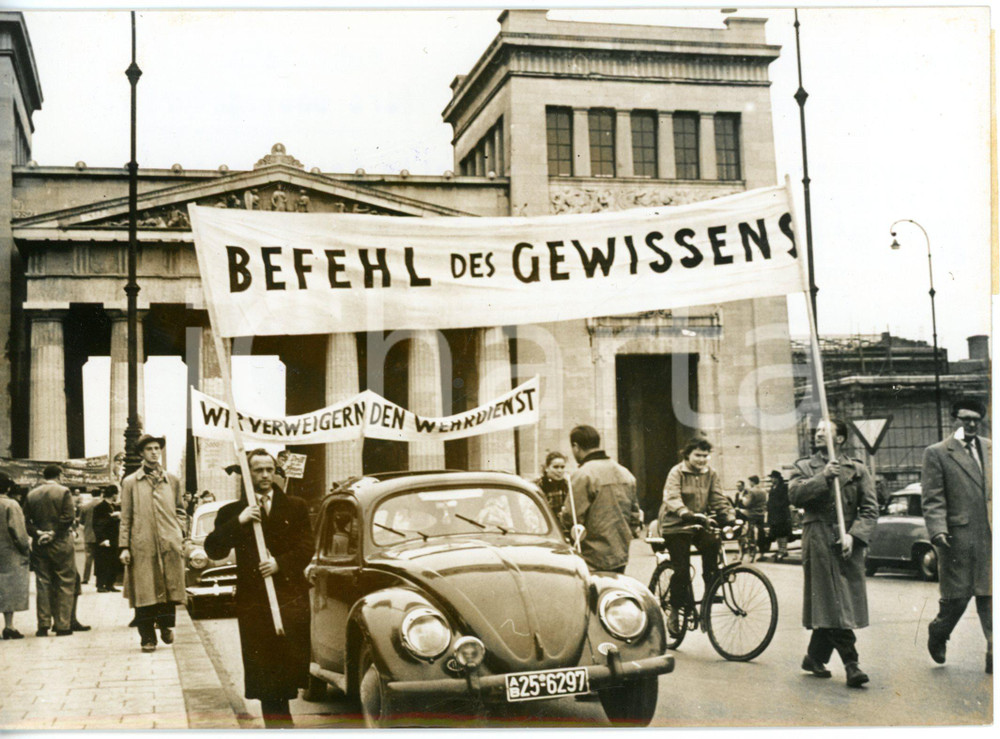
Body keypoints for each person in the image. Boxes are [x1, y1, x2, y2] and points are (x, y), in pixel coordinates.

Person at [205, 449, 313, 728]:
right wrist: (239, 521)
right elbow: (214, 549)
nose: (265, 476)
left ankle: (281, 722)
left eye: (269, 470)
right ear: (247, 473)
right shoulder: (231, 512)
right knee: (265, 671)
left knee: (288, 666)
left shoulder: (296, 506)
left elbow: (307, 547)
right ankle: (279, 725)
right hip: (255, 602)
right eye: (258, 470)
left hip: (289, 598)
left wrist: (280, 564)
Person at [790, 418, 878, 688]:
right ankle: (852, 664)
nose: (818, 434)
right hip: (818, 537)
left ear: (840, 439)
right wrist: (824, 477)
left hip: (847, 540)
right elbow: (795, 495)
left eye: (825, 431)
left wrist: (854, 535)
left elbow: (870, 509)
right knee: (835, 599)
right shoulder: (804, 466)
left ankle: (814, 657)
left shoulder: (858, 469)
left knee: (835, 600)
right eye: (817, 430)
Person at [921, 398, 992, 674]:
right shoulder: (938, 453)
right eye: (965, 419)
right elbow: (933, 498)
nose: (971, 424)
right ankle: (939, 631)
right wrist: (938, 529)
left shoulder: (991, 449)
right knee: (958, 598)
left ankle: (994, 650)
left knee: (990, 596)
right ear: (955, 420)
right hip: (957, 539)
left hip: (990, 536)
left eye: (976, 419)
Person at [657, 435, 735, 633]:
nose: (702, 459)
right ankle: (675, 610)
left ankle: (708, 600)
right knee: (682, 571)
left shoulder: (711, 473)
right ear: (688, 455)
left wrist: (729, 516)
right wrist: (684, 512)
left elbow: (718, 498)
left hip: (699, 524)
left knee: (713, 554)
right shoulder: (677, 472)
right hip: (676, 525)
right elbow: (672, 497)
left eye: (705, 455)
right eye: (698, 455)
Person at [119, 434, 187, 652]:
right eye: (149, 449)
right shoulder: (131, 482)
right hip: (142, 544)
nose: (154, 452)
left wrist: (179, 532)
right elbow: (125, 517)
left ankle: (166, 626)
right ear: (141, 453)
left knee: (169, 587)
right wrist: (124, 547)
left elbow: (181, 510)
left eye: (157, 448)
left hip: (169, 543)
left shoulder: (172, 480)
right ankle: (147, 637)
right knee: (144, 591)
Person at [564, 425, 641, 574]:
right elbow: (634, 516)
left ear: (576, 447)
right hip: (620, 554)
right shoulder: (625, 473)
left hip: (591, 557)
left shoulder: (583, 475)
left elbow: (572, 517)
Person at [23, 465, 81, 636]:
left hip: (40, 544)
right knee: (65, 581)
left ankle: (43, 624)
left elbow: (25, 520)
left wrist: (38, 533)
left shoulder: (32, 494)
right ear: (59, 475)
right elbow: (68, 517)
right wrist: (53, 533)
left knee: (43, 582)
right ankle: (62, 625)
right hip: (61, 542)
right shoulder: (64, 492)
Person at [0, 471, 30, 639]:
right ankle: (9, 626)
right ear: (8, 488)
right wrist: (25, 549)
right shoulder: (11, 505)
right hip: (8, 553)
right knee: (8, 589)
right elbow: (18, 531)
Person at [92, 485, 121, 593]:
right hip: (104, 539)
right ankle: (100, 584)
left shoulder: (114, 506)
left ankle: (110, 584)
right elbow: (97, 524)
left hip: (114, 538)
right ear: (113, 494)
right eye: (117, 494)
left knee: (113, 561)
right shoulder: (100, 507)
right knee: (102, 562)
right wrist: (102, 538)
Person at [533, 451, 569, 522]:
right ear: (547, 468)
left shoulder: (567, 485)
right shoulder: (538, 485)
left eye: (562, 467)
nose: (560, 471)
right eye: (556, 467)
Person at [766, 470, 793, 560]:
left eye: (773, 478)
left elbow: (787, 499)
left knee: (783, 532)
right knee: (776, 532)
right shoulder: (772, 487)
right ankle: (779, 550)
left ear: (777, 478)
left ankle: (784, 550)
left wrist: (778, 506)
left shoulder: (783, 487)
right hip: (773, 514)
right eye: (771, 478)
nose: (771, 480)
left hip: (782, 513)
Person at [79, 491, 98, 585]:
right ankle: (99, 579)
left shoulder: (85, 507)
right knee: (100, 558)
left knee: (88, 557)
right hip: (100, 535)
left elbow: (81, 522)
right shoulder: (103, 505)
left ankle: (86, 578)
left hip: (88, 535)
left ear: (91, 495)